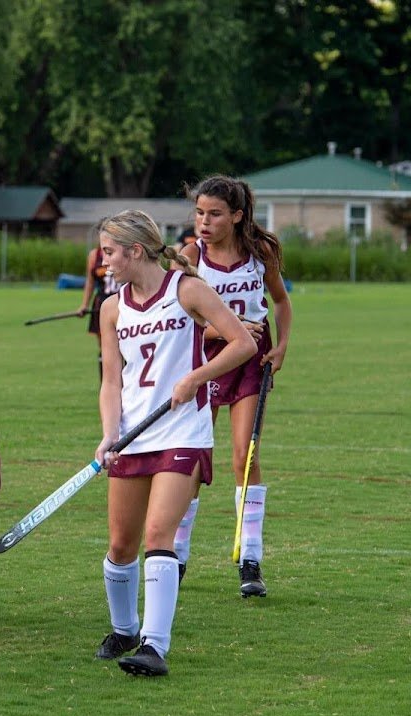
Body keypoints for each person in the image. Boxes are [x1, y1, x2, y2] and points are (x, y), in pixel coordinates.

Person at [93, 210, 256, 677]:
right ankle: (124, 629)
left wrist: (196, 378)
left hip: (183, 431)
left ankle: (153, 645)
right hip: (134, 433)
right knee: (121, 544)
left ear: (135, 251)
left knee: (157, 535)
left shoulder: (187, 290)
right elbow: (111, 380)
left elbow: (242, 343)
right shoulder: (111, 307)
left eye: (109, 252)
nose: (104, 261)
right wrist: (109, 433)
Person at [175, 175, 293, 598]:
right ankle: (176, 555)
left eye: (214, 214)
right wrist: (215, 333)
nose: (204, 222)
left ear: (237, 215)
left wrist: (280, 346)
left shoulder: (261, 252)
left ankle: (251, 558)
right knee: (192, 458)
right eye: (199, 212)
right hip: (207, 360)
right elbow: (179, 319)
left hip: (250, 360)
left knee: (245, 456)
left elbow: (280, 301)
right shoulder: (190, 255)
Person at [75, 225, 121, 380]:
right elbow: (90, 281)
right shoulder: (94, 255)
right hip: (101, 303)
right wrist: (84, 305)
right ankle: (107, 381)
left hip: (121, 303)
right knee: (104, 345)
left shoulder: (121, 252)